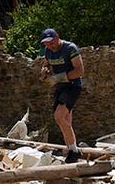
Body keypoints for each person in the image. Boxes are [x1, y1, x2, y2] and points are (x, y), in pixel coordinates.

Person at [40, 27, 84, 160]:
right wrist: (44, 71)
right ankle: (71, 149)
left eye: (51, 42)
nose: (50, 46)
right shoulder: (48, 51)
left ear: (57, 38)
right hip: (60, 88)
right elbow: (46, 64)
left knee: (59, 116)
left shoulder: (70, 48)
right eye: (46, 44)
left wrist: (57, 78)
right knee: (65, 120)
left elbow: (80, 71)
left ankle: (74, 151)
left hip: (72, 86)